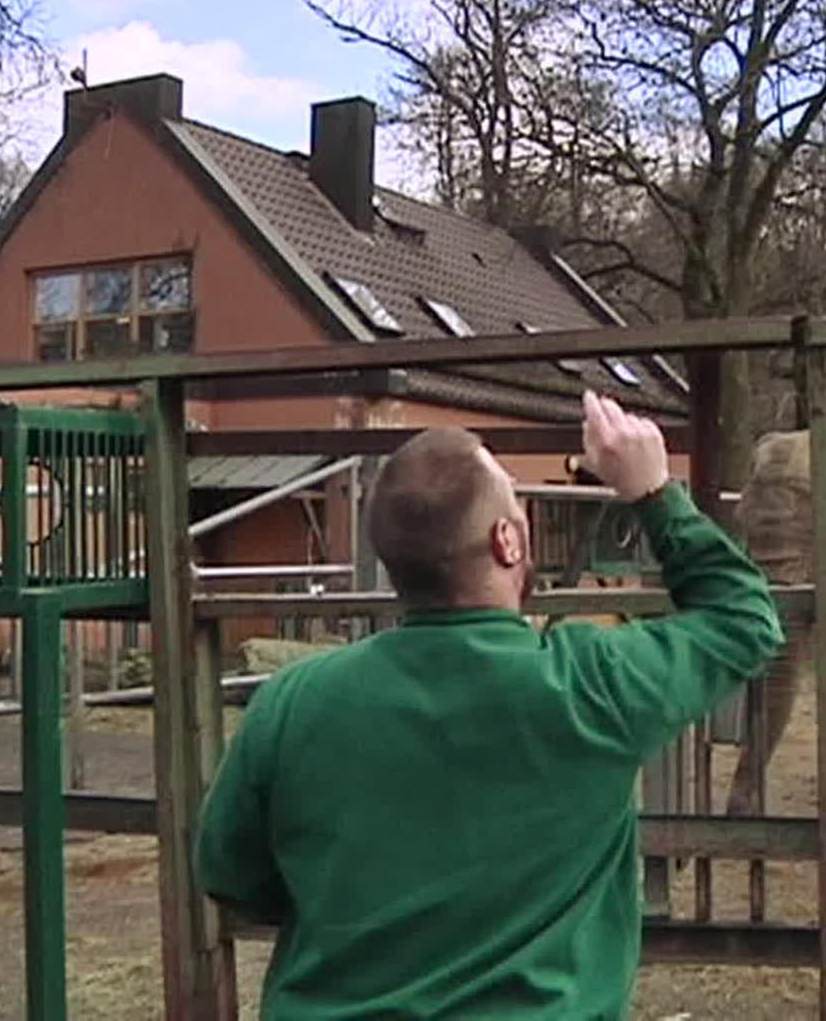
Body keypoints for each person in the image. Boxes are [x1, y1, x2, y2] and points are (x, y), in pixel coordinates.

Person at [194, 389, 786, 1019]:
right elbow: (746, 619)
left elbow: (233, 877)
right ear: (507, 541)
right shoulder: (591, 682)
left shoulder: (290, 703)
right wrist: (654, 495)